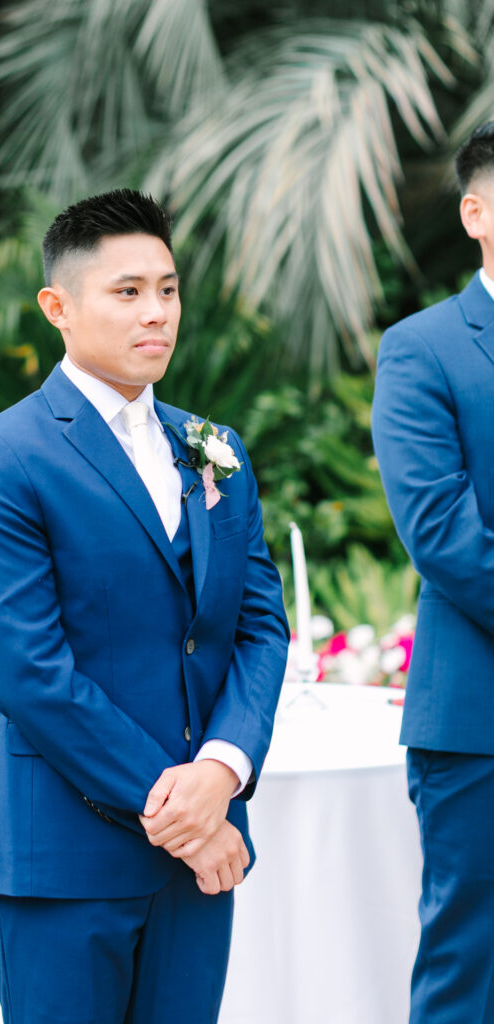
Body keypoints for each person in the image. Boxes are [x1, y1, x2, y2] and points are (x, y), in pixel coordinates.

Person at [0, 189, 289, 1024]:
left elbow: (258, 627)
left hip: (196, 860)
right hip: (68, 854)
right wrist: (184, 813)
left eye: (167, 290)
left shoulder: (214, 448)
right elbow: (28, 671)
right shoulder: (0, 456)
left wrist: (221, 771)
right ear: (57, 308)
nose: (156, 312)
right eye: (127, 291)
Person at [372, 125, 494, 1024]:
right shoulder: (424, 348)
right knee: (471, 966)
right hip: (480, 718)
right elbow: (443, 536)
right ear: (476, 213)